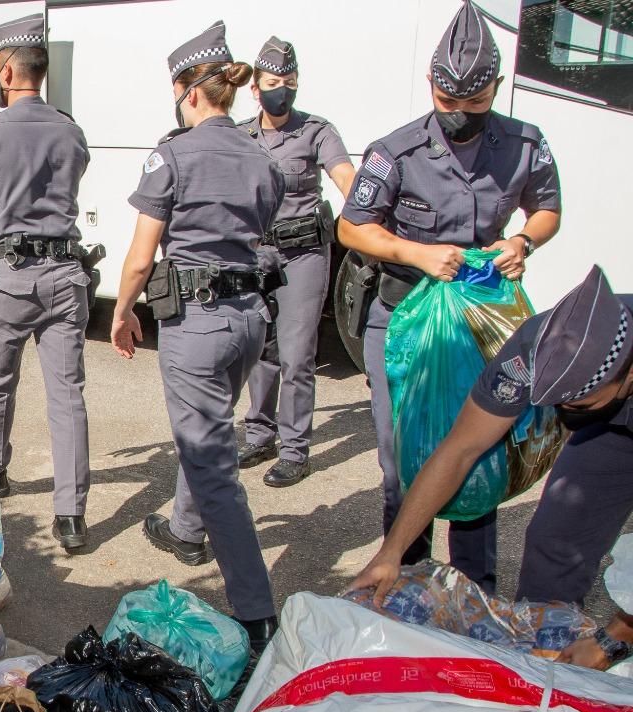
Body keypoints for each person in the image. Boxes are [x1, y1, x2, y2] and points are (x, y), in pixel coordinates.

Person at [337, 0, 561, 594]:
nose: (460, 114)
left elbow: (548, 210)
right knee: (401, 460)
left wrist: (523, 241)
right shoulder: (397, 150)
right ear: (431, 87)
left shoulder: (524, 144)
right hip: (404, 320)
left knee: (479, 455)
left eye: (475, 103)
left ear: (496, 89)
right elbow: (351, 227)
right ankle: (405, 579)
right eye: (448, 103)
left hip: (481, 320)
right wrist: (416, 253)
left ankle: (473, 591)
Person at [111, 22, 284, 652]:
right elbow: (265, 225)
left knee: (212, 462)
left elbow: (139, 256)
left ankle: (258, 612)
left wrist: (123, 309)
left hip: (199, 323)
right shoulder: (261, 155)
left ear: (188, 91)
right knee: (210, 426)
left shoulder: (173, 153)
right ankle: (184, 528)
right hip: (249, 319)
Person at [352, 267, 633, 620]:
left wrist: (617, 635)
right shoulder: (530, 351)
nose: (563, 415)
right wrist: (392, 551)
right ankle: (543, 653)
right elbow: (460, 449)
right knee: (554, 544)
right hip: (606, 433)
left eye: (578, 405)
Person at [0, 13, 94, 551]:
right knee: (67, 397)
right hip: (65, 275)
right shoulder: (71, 129)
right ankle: (72, 518)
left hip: (11, 280)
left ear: (5, 70)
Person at [237, 37, 355, 487]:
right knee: (258, 350)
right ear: (255, 87)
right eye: (272, 83)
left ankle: (294, 449)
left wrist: (363, 208)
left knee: (297, 353)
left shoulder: (316, 131)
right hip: (254, 255)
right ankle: (259, 432)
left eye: (288, 82)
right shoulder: (240, 135)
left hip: (302, 252)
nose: (280, 90)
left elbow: (345, 175)